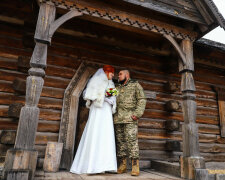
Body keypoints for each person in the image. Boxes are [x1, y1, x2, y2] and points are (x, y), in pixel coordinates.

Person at [70, 65, 117, 174]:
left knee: (106, 135)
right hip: (98, 111)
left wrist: (111, 98)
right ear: (107, 72)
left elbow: (114, 95)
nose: (113, 75)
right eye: (112, 73)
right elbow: (88, 94)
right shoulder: (96, 80)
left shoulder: (111, 83)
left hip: (107, 112)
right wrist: (103, 96)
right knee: (96, 133)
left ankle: (105, 165)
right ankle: (92, 166)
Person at [114, 70, 146, 176]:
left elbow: (142, 99)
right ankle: (122, 165)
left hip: (130, 118)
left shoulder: (135, 85)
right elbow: (107, 94)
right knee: (120, 142)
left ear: (127, 75)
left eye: (120, 74)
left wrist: (137, 114)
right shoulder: (117, 87)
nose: (118, 76)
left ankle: (135, 166)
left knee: (132, 141)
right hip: (118, 119)